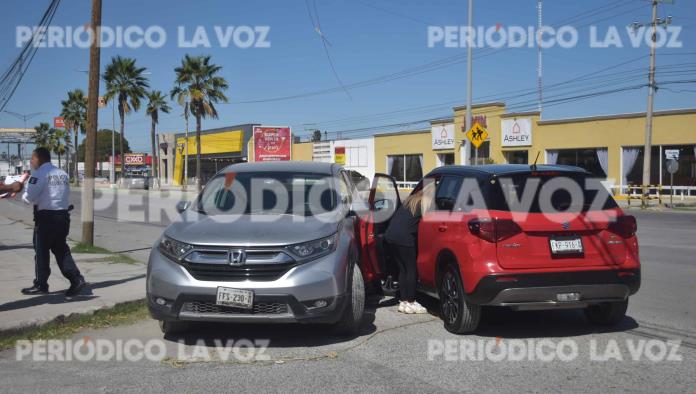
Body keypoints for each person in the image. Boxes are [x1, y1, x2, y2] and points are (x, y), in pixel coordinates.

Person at [20, 147, 86, 296]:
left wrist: (23, 191)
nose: (31, 161)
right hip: (63, 217)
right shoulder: (62, 174)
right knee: (61, 250)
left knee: (41, 252)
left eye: (32, 158)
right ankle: (76, 279)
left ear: (39, 159)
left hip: (46, 219)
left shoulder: (38, 174)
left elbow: (28, 198)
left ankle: (41, 284)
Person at [384, 181, 435, 314]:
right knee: (411, 269)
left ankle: (404, 301)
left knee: (402, 269)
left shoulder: (411, 200)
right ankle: (411, 302)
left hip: (390, 235)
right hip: (404, 238)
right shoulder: (426, 203)